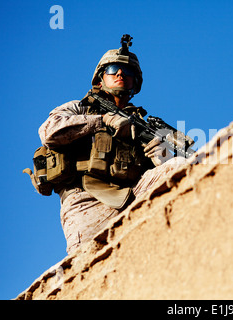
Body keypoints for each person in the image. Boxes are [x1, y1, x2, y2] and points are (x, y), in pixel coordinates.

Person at [37, 35, 187, 254]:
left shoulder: (143, 125)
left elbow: (166, 168)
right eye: (113, 69)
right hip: (86, 201)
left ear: (135, 84)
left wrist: (161, 157)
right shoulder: (79, 108)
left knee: (178, 167)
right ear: (100, 79)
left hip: (132, 193)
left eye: (127, 72)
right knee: (84, 264)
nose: (120, 74)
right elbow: (49, 132)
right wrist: (102, 120)